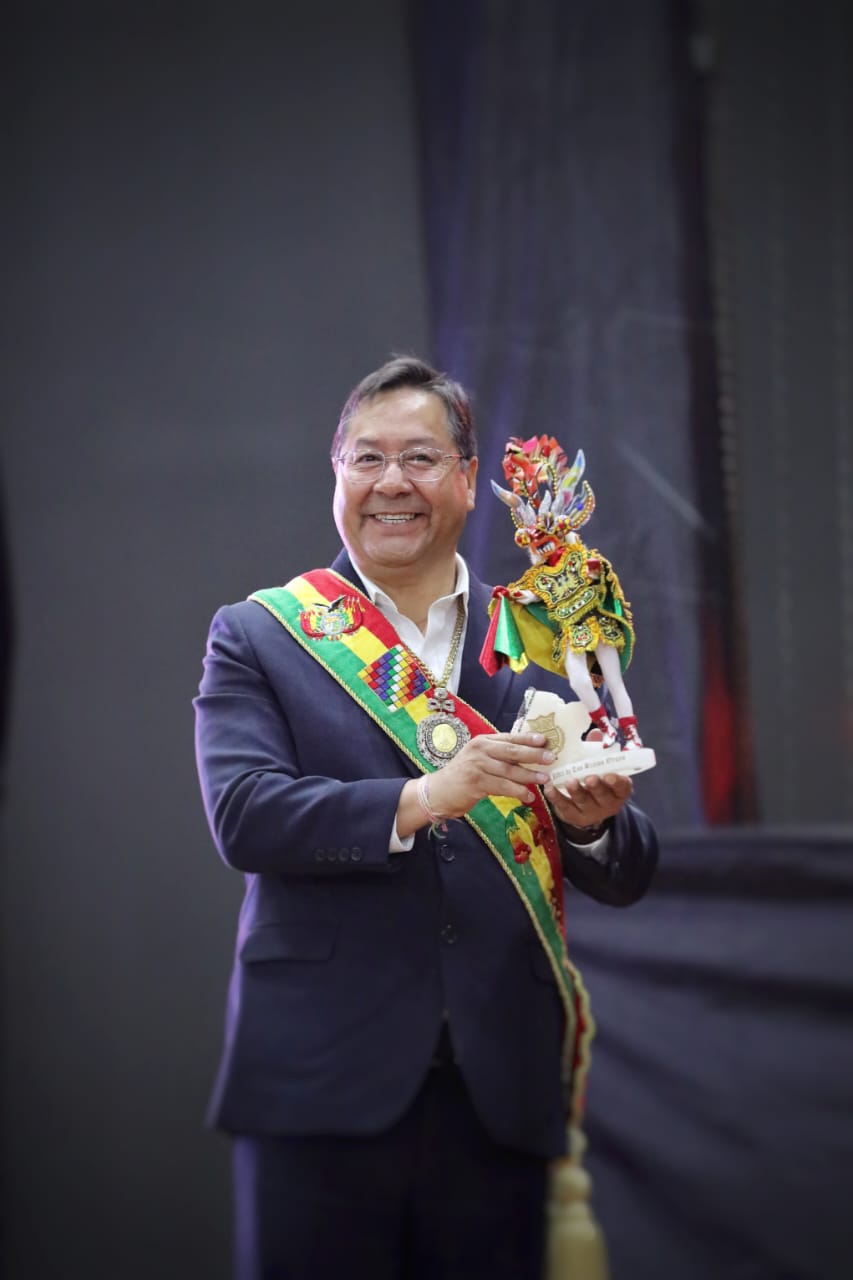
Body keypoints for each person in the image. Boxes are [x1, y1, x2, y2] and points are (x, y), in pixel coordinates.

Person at [194, 356, 658, 1280]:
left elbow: (627, 862)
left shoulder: (538, 633)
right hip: (321, 1077)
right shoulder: (263, 634)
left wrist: (590, 823)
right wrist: (426, 797)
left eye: (419, 457)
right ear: (337, 475)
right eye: (366, 459)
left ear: (468, 478)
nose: (391, 482)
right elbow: (245, 816)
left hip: (500, 1086)